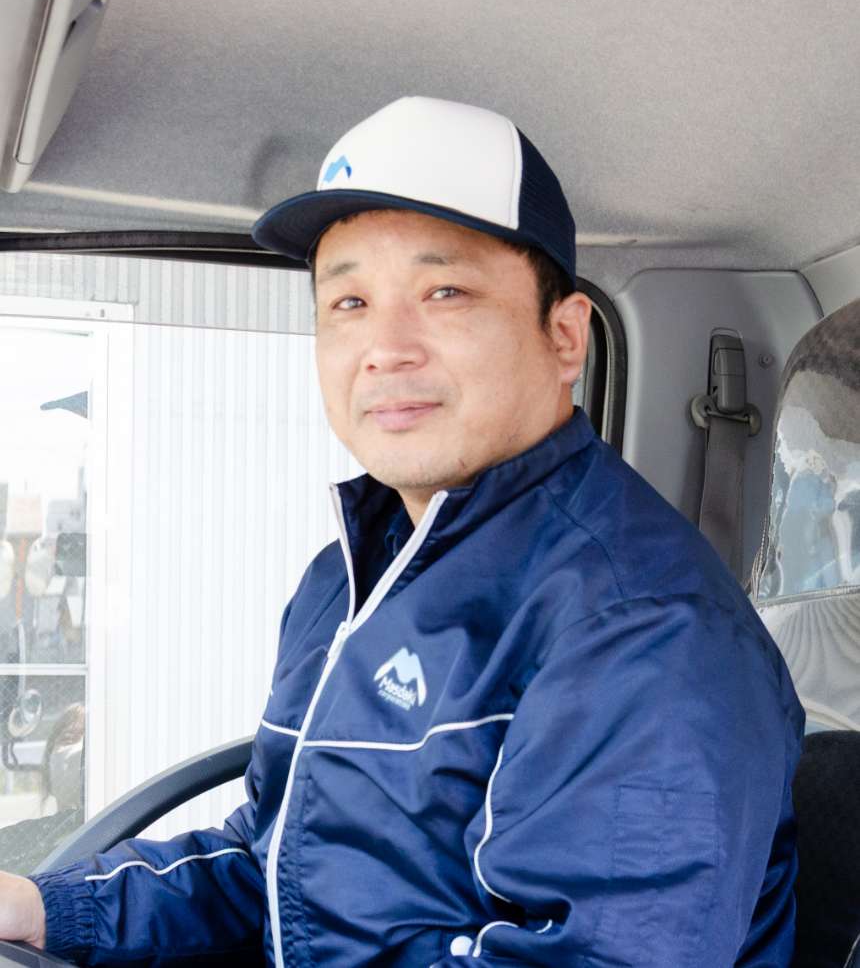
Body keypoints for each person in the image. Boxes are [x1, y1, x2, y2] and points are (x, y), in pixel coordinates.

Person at [0, 96, 803, 966]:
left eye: (444, 291)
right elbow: (272, 872)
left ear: (567, 337)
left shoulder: (644, 627)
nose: (385, 347)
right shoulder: (348, 577)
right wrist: (45, 910)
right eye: (348, 301)